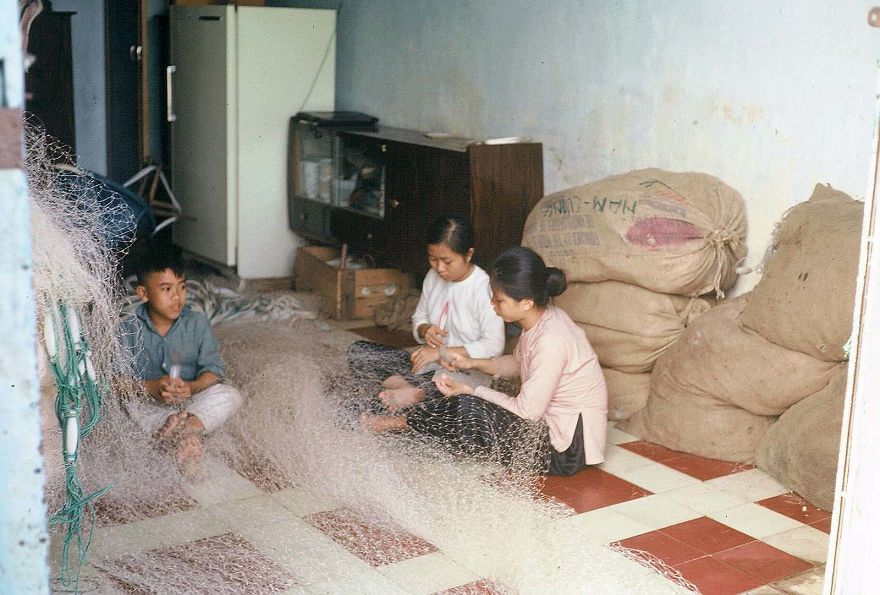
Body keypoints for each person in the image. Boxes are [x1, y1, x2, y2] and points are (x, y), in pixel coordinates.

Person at [361, 246, 608, 476]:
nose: (492, 304)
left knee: (467, 407)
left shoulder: (551, 340)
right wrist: (472, 363)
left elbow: (528, 411)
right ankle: (417, 405)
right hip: (551, 430)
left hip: (564, 451)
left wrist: (474, 390)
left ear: (526, 303)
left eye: (499, 300)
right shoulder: (541, 320)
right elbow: (518, 362)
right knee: (462, 401)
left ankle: (400, 421)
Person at [347, 214, 505, 411]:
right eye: (433, 259)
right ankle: (411, 392)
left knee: (454, 403)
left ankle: (415, 398)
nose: (439, 268)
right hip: (426, 367)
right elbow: (419, 317)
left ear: (468, 254)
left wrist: (442, 353)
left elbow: (493, 346)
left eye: (447, 261)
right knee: (359, 352)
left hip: (462, 376)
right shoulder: (432, 277)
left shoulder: (484, 288)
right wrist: (424, 329)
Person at [120, 250, 243, 476]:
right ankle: (182, 430)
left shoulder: (196, 323)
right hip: (150, 402)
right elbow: (116, 381)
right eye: (167, 289)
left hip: (192, 399)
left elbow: (213, 373)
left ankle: (182, 430)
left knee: (230, 395)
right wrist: (151, 388)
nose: (177, 297)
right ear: (144, 293)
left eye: (182, 287)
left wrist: (191, 388)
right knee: (130, 406)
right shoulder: (128, 328)